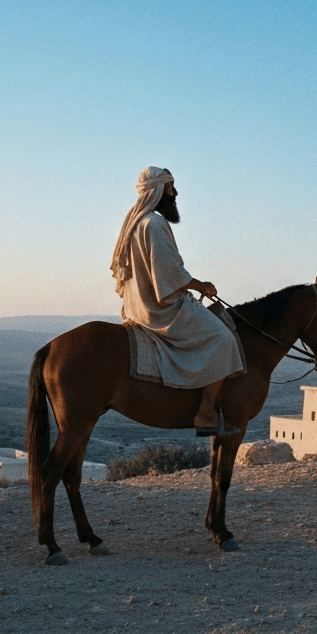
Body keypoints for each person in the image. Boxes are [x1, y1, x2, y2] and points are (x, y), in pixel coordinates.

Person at [110, 166, 246, 437]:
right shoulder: (154, 223)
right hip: (160, 308)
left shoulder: (134, 224)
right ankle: (206, 412)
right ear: (159, 191)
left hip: (137, 307)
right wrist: (201, 285)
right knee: (223, 338)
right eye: (171, 188)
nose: (176, 193)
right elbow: (170, 272)